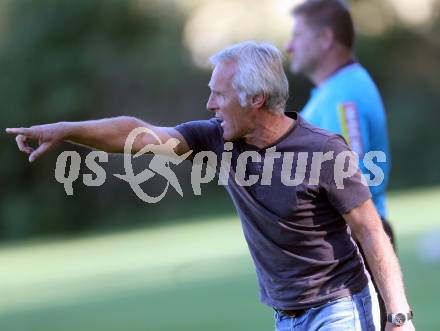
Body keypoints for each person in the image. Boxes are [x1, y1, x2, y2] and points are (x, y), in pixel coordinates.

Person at [6, 41, 414, 331]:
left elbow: (369, 231)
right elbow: (138, 135)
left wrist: (398, 315)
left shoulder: (325, 151)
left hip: (338, 308)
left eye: (219, 95)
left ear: (255, 98)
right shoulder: (218, 138)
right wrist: (65, 130)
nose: (210, 105)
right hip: (285, 315)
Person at [285, 1, 394, 328]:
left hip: (356, 245)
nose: (289, 46)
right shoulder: (332, 91)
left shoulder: (344, 95)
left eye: (298, 35)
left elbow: (355, 180)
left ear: (325, 39)